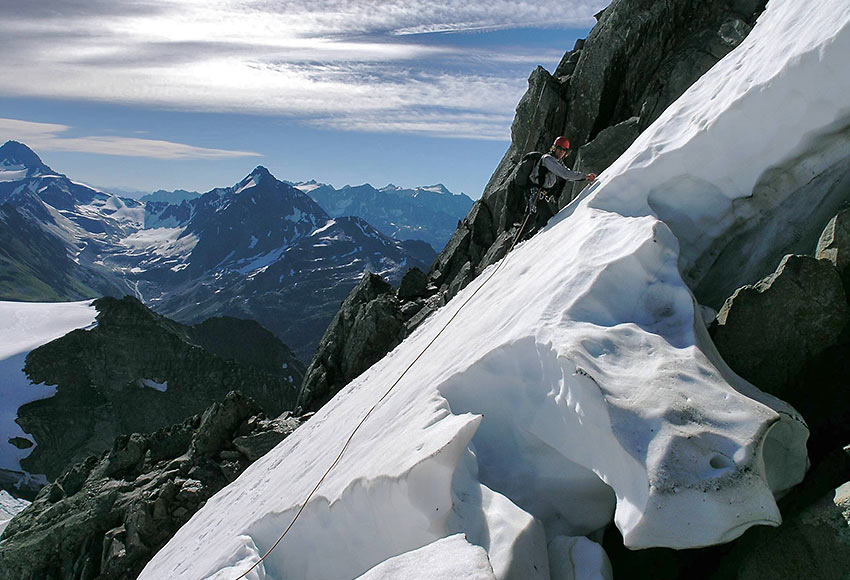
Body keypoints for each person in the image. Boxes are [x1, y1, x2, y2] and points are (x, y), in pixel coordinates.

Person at [529, 136, 596, 213]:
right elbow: (565, 174)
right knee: (533, 218)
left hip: (542, 193)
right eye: (560, 148)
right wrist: (585, 176)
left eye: (564, 150)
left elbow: (568, 174)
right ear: (554, 148)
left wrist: (584, 176)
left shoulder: (558, 162)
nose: (562, 151)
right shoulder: (547, 159)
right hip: (535, 193)